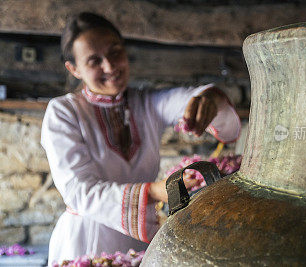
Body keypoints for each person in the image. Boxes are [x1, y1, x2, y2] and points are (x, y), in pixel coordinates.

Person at [41, 12, 241, 266]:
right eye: (94, 61)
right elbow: (79, 191)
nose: (110, 67)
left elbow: (189, 98)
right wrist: (155, 191)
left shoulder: (146, 103)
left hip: (143, 238)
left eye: (115, 52)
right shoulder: (63, 112)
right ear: (74, 69)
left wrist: (208, 100)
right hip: (86, 241)